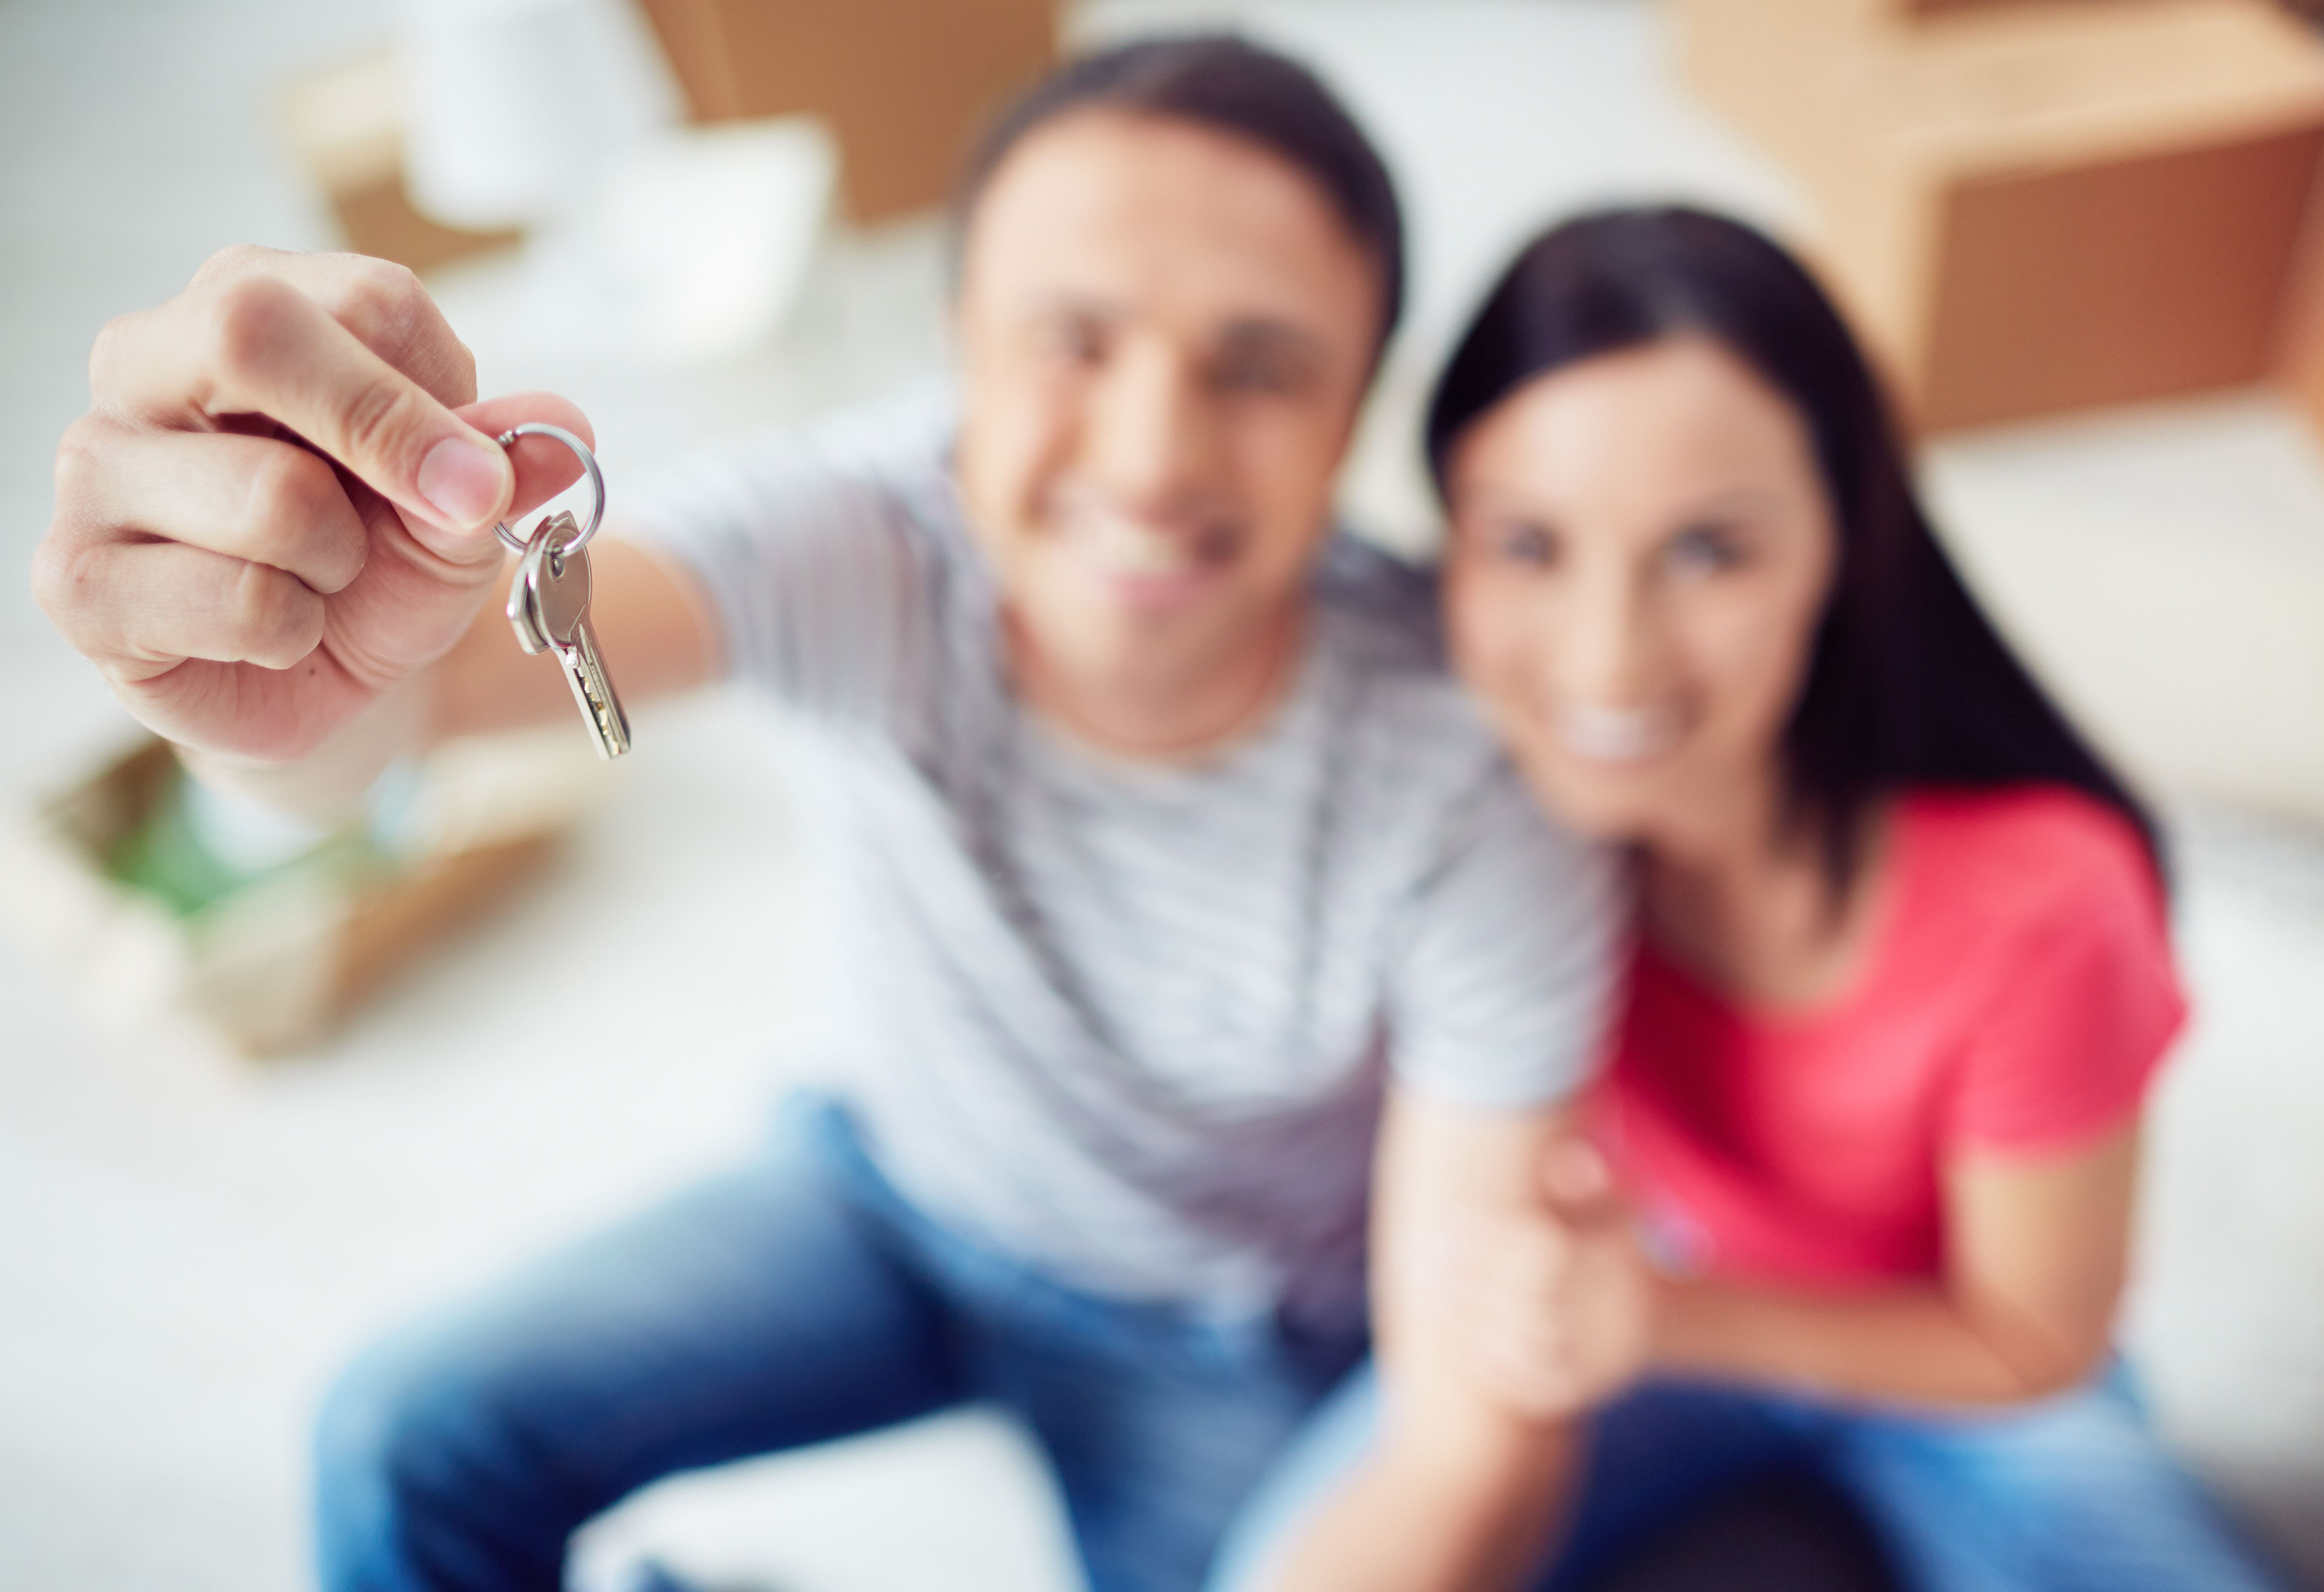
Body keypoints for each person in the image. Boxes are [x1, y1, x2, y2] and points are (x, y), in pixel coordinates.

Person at [33, 37, 1621, 1592]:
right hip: (890, 1193)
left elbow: (1463, 1382)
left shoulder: (1473, 780)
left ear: (1356, 414)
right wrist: (282, 699)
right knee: (410, 1437)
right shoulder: (862, 529)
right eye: (1073, 337)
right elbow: (408, 704)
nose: (1151, 455)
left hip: (1225, 1340)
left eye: (1261, 366)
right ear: (961, 347)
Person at [1208, 208, 2293, 1592]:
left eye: (1709, 552)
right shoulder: (1463, 803)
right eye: (1527, 546)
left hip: (1946, 1357)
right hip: (1627, 1291)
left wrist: (1671, 1320)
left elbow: (2033, 1339)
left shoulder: (2041, 903)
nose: (1607, 660)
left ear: (1838, 545)